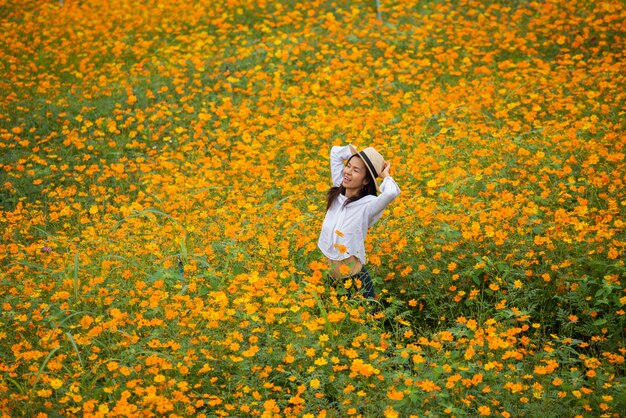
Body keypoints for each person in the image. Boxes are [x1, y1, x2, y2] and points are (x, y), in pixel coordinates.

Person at [317, 144, 401, 300]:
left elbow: (391, 192)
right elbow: (335, 153)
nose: (347, 172)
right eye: (348, 166)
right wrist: (355, 152)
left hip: (355, 285)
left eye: (356, 170)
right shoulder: (338, 191)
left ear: (365, 181)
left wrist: (385, 175)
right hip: (329, 281)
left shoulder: (369, 205)